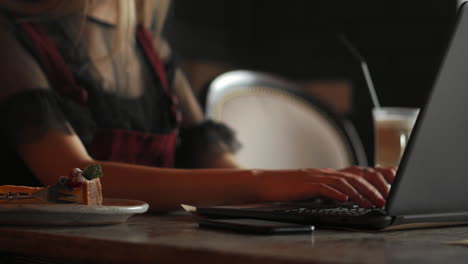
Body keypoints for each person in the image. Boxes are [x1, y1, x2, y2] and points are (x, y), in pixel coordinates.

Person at [0, 0, 395, 212]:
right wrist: (263, 181)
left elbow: (220, 167)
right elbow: (78, 178)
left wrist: (308, 191)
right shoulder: (11, 34)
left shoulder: (150, 49)